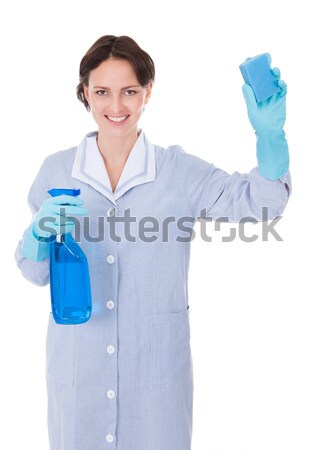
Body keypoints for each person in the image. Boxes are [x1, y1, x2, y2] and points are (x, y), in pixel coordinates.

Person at [14, 35, 292, 450]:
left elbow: (262, 206)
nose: (116, 106)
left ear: (148, 92)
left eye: (129, 91)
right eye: (102, 92)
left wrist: (271, 137)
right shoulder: (56, 172)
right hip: (79, 375)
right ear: (84, 93)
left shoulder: (178, 172)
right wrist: (36, 237)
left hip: (157, 381)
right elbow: (35, 272)